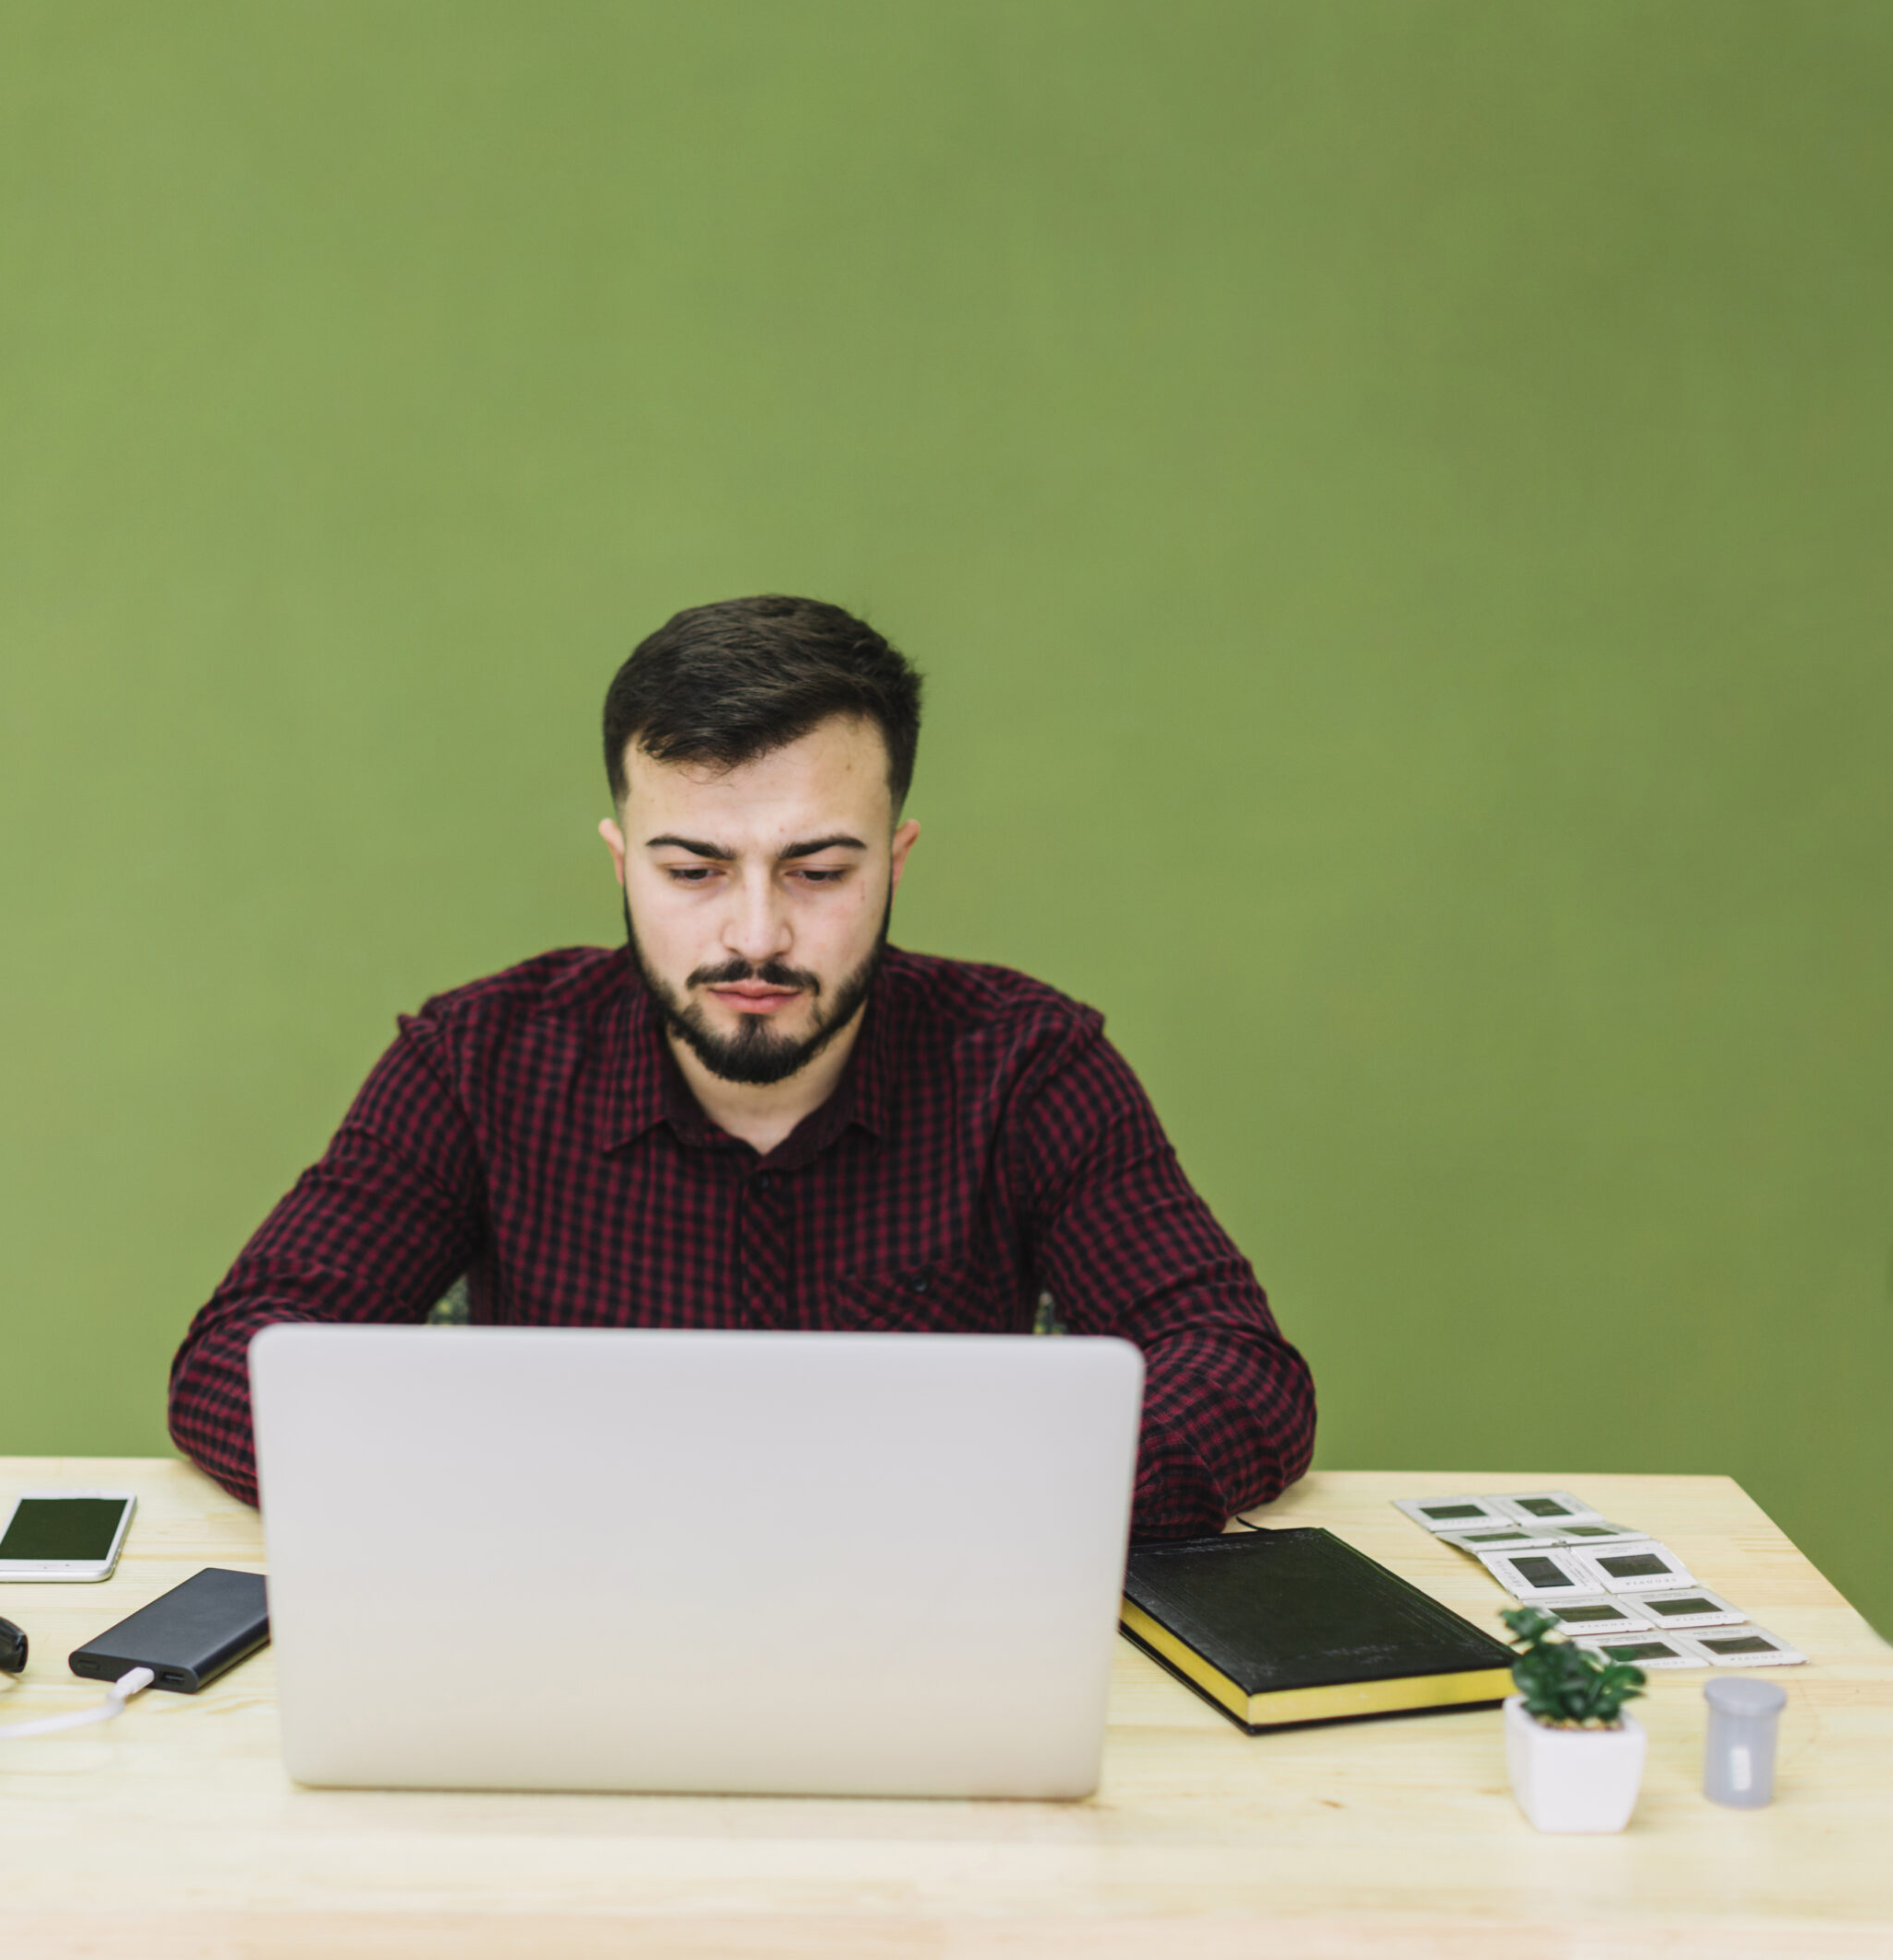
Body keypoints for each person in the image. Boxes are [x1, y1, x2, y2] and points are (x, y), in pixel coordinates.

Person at [168, 595, 1314, 1534]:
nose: (756, 934)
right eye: (693, 871)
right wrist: (515, 1492)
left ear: (896, 860)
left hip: (920, 1636)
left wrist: (960, 1502)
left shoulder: (1028, 1065)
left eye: (818, 871)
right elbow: (239, 1358)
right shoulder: (477, 1062)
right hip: (567, 1641)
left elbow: (1240, 1375)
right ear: (621, 863)